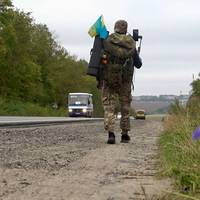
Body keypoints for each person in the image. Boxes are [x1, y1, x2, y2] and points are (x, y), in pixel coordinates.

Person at [101, 20, 137, 144]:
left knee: (109, 107)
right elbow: (138, 64)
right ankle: (125, 135)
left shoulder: (108, 39)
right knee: (125, 107)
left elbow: (100, 58)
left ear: (115, 27)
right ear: (126, 29)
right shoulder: (131, 42)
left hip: (109, 79)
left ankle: (111, 134)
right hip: (125, 81)